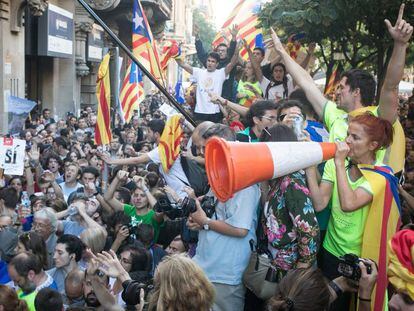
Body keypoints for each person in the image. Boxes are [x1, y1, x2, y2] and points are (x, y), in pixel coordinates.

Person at [269, 5, 412, 173]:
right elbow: (306, 81)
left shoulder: (380, 118)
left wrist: (400, 45)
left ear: (356, 91)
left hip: (371, 199)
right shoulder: (335, 115)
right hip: (334, 199)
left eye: (341, 88)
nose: (336, 92)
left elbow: (390, 86)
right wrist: (281, 51)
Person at [305, 113, 398, 310]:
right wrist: (310, 168)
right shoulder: (334, 164)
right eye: (348, 134)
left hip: (360, 260)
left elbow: (349, 203)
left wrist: (339, 162)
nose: (347, 140)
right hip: (331, 251)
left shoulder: (382, 175)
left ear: (373, 145)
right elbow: (320, 203)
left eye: (355, 137)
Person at [188, 123, 260, 311]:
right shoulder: (219, 176)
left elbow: (240, 229)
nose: (203, 154)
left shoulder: (245, 185)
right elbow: (214, 214)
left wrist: (205, 222)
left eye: (209, 148)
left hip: (225, 273)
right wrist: (199, 221)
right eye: (203, 148)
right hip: (206, 266)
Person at [260, 124, 319, 275]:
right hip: (278, 260)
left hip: (292, 267)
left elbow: (309, 229)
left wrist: (302, 266)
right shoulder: (277, 179)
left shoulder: (291, 183)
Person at [175, 42, 241, 123]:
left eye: (213, 61)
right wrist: (175, 53)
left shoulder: (221, 73)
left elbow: (232, 62)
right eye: (208, 61)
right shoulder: (199, 72)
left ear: (217, 64)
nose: (210, 63)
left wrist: (237, 49)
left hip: (215, 113)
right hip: (199, 112)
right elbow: (183, 64)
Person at [104, 172, 164, 242]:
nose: (138, 198)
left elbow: (159, 211)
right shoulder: (128, 209)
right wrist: (117, 178)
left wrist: (144, 188)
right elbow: (107, 198)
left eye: (142, 195)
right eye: (136, 195)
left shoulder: (152, 215)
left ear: (148, 198)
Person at [194, 24, 238, 102]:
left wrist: (234, 38)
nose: (220, 52)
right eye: (219, 50)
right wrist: (197, 37)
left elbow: (232, 51)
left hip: (227, 100)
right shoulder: (212, 63)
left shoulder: (230, 62)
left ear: (227, 52)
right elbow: (201, 54)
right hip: (212, 99)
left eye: (223, 51)